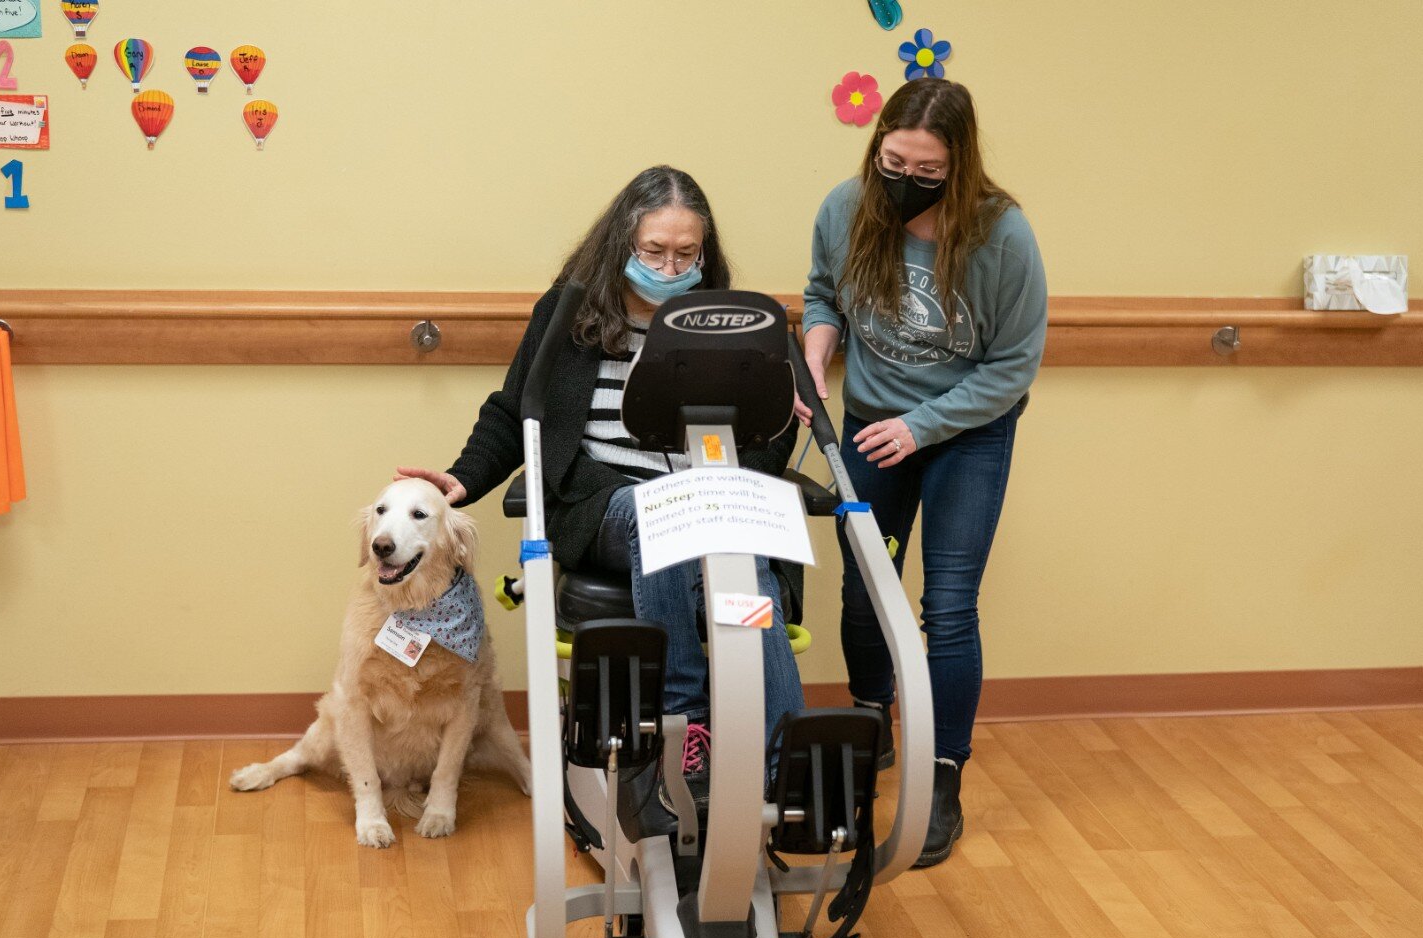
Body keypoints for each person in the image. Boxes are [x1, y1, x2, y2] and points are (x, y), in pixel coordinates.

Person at [398, 165, 803, 797]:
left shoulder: (726, 323)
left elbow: (771, 437)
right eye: (654, 252)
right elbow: (515, 409)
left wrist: (768, 432)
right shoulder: (571, 315)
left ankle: (786, 771)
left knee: (750, 570)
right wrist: (461, 478)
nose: (670, 270)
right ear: (623, 244)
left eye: (686, 255)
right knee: (655, 514)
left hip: (710, 500)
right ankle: (688, 720)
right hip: (603, 500)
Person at [799, 79, 1046, 867]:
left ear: (960, 166)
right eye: (893, 159)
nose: (905, 178)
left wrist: (923, 426)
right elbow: (820, 296)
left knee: (946, 604)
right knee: (866, 587)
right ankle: (871, 727)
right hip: (875, 424)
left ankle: (941, 775)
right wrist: (816, 351)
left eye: (928, 170)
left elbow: (1013, 364)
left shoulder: (1002, 237)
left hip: (965, 434)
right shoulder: (847, 207)